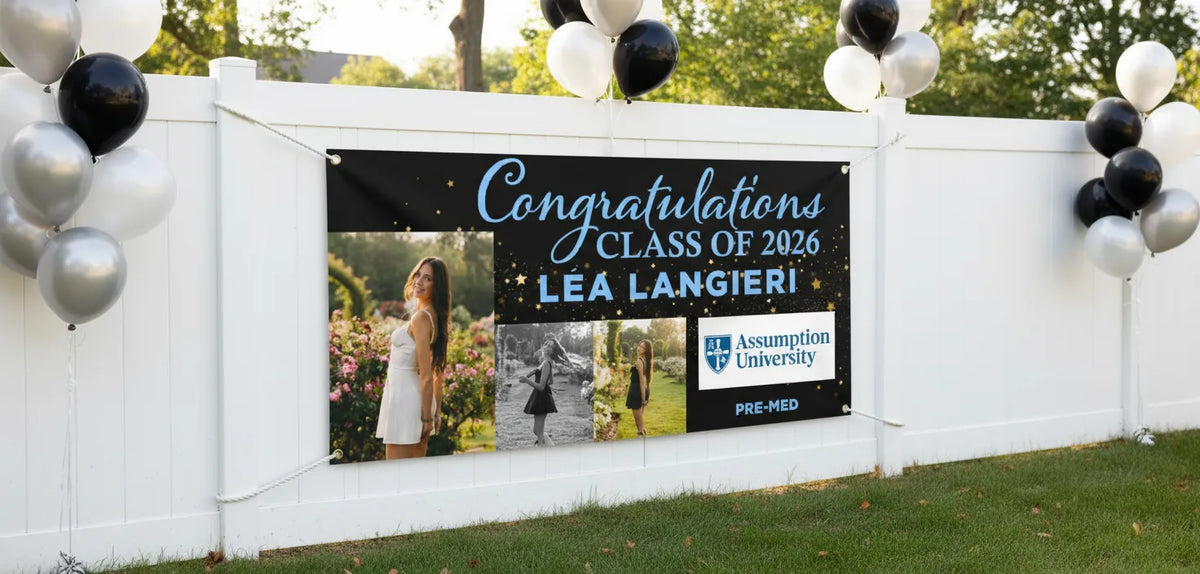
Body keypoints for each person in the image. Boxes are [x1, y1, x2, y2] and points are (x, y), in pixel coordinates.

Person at [375, 257, 450, 459]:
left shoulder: (421, 318)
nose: (419, 281)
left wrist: (427, 418)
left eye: (428, 278)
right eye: (418, 275)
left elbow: (427, 375)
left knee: (397, 473)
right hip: (415, 402)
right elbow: (438, 371)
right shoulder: (434, 316)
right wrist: (435, 411)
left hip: (407, 403)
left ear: (437, 286)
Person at [521, 335, 571, 447]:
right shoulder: (546, 362)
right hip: (539, 397)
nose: (547, 347)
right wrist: (543, 382)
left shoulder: (547, 363)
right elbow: (551, 381)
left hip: (541, 399)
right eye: (547, 344)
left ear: (553, 351)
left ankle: (542, 447)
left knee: (539, 433)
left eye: (551, 347)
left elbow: (541, 387)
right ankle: (548, 444)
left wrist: (526, 380)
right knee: (536, 430)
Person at [625, 339, 653, 437]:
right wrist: (646, 396)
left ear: (646, 350)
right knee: (641, 424)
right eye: (639, 346)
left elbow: (642, 381)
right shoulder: (646, 361)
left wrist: (643, 399)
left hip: (636, 391)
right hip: (641, 391)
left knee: (639, 426)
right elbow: (646, 381)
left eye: (642, 347)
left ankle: (641, 439)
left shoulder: (639, 362)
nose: (639, 348)